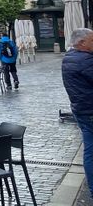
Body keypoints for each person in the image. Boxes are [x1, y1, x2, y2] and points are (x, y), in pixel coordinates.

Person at [62, 28, 93, 200]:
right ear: (81, 43)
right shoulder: (84, 60)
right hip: (90, 110)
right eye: (92, 40)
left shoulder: (69, 57)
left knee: (90, 150)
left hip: (81, 110)